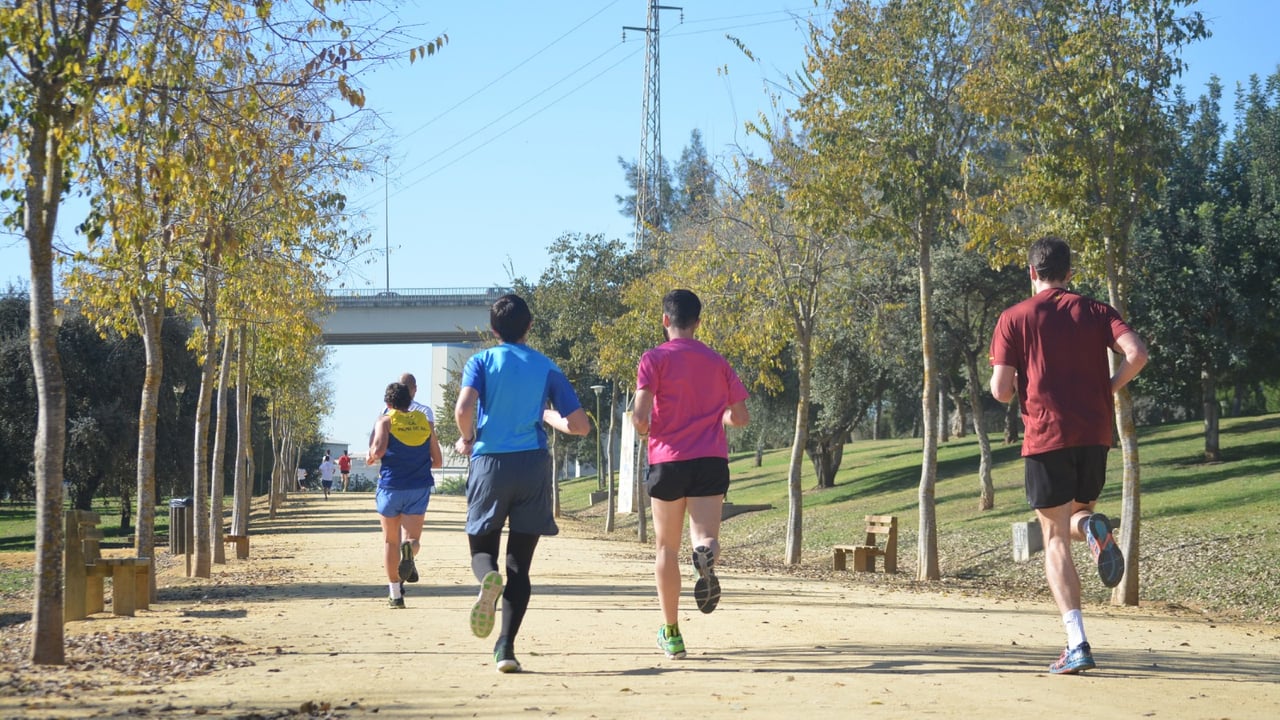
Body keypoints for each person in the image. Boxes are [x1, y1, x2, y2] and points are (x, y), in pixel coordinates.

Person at [989, 235, 1148, 675]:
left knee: (1054, 538)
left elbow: (1001, 390)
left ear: (1032, 272)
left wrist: (1012, 385)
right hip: (1095, 434)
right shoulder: (1097, 311)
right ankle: (1095, 527)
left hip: (1046, 435)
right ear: (1069, 272)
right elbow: (1137, 354)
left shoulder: (1014, 318)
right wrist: (1108, 389)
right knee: (1077, 517)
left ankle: (1076, 643)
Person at [454, 293, 590, 673]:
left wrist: (467, 437)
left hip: (490, 463)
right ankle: (506, 648)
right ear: (530, 326)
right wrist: (547, 414)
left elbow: (463, 409)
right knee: (520, 565)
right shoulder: (546, 367)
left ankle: (487, 580)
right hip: (532, 465)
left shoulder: (481, 361)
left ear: (493, 330)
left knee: (482, 549)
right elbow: (579, 426)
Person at [631, 289, 750, 661]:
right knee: (706, 536)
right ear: (698, 322)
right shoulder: (717, 362)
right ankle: (705, 555)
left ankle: (672, 633)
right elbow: (741, 416)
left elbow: (639, 414)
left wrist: (643, 430)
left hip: (668, 461)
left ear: (665, 320)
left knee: (666, 546)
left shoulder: (653, 359)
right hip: (710, 459)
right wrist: (720, 417)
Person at [368, 382, 443, 608]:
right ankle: (409, 550)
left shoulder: (385, 421)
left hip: (391, 487)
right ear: (410, 400)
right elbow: (438, 461)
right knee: (412, 539)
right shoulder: (424, 422)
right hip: (418, 487)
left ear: (388, 403)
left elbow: (379, 450)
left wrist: (371, 456)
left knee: (390, 541)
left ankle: (396, 595)